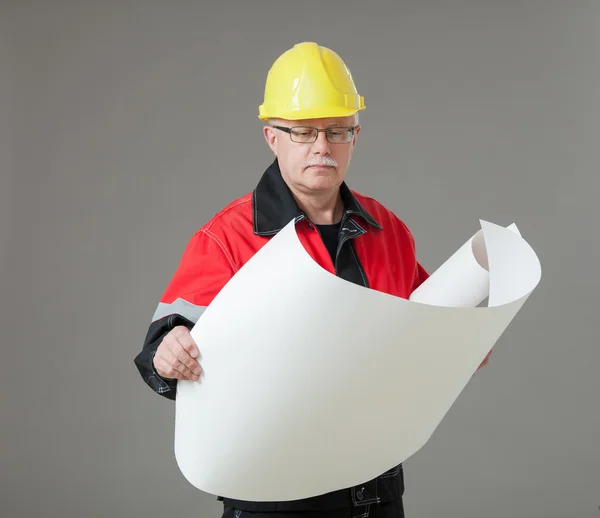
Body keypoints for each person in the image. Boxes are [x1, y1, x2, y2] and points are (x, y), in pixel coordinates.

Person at [134, 41, 492, 518]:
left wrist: (465, 343)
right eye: (304, 132)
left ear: (355, 135)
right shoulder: (227, 238)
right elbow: (161, 348)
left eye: (338, 131)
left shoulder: (386, 231)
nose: (322, 147)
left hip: (374, 493)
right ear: (272, 136)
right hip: (273, 496)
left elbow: (425, 326)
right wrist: (169, 351)